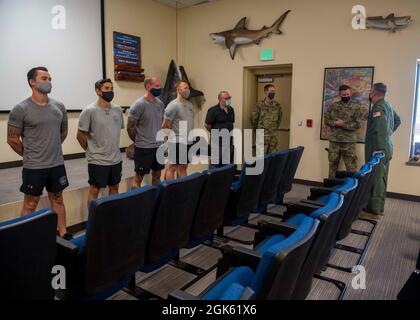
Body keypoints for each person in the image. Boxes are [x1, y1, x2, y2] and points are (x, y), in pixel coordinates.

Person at [7, 67, 71, 239]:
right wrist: (31, 155)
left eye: (50, 78)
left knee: (58, 200)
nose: (49, 81)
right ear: (32, 82)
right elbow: (12, 139)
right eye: (44, 78)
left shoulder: (58, 106)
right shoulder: (20, 109)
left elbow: (63, 132)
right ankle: (24, 237)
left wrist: (52, 148)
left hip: (57, 164)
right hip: (34, 167)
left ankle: (63, 233)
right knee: (30, 203)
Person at [77, 79, 124, 207]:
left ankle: (111, 218)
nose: (110, 91)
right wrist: (91, 150)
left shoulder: (118, 110)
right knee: (94, 190)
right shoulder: (89, 110)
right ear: (98, 91)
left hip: (115, 159)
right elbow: (80, 135)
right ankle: (93, 222)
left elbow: (113, 132)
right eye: (106, 88)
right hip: (97, 160)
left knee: (114, 188)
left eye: (111, 88)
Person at [361, 83, 401, 220]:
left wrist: (379, 149)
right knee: (381, 178)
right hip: (385, 147)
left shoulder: (378, 107)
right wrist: (388, 135)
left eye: (370, 91)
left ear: (375, 93)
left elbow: (380, 129)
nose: (369, 94)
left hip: (378, 149)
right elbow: (397, 120)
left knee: (376, 179)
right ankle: (378, 208)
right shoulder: (387, 105)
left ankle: (374, 211)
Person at [127, 77, 165, 187]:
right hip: (143, 148)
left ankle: (155, 201)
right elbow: (130, 128)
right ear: (148, 87)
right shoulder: (138, 104)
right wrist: (140, 141)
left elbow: (161, 123)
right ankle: (135, 203)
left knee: (157, 175)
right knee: (138, 179)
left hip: (158, 146)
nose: (159, 88)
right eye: (157, 86)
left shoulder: (160, 104)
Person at [324, 85, 361, 178]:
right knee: (332, 166)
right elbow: (326, 121)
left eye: (348, 94)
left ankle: (351, 190)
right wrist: (335, 123)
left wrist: (343, 124)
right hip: (334, 141)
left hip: (349, 142)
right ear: (339, 95)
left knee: (351, 168)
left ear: (350, 94)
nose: (346, 96)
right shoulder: (333, 106)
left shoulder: (356, 107)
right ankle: (331, 188)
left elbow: (357, 124)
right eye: (344, 94)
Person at [163, 80, 194, 180]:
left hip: (188, 141)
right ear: (178, 90)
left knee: (183, 166)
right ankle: (169, 191)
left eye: (188, 88)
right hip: (176, 141)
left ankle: (181, 192)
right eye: (185, 88)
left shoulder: (190, 105)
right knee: (172, 167)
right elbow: (165, 125)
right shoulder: (173, 105)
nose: (187, 90)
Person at [205, 90, 235, 167]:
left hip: (229, 142)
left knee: (227, 165)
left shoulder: (231, 110)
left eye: (229, 97)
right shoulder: (213, 110)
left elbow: (231, 123)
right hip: (217, 143)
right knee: (215, 165)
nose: (229, 99)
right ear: (221, 99)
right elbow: (207, 125)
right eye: (227, 98)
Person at [251, 84, 283, 153]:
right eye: (271, 91)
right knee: (261, 160)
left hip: (273, 138)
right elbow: (254, 120)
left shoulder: (277, 106)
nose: (273, 93)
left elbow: (279, 120)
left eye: (274, 91)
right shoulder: (259, 105)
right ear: (265, 92)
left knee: (273, 159)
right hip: (262, 137)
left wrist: (273, 130)